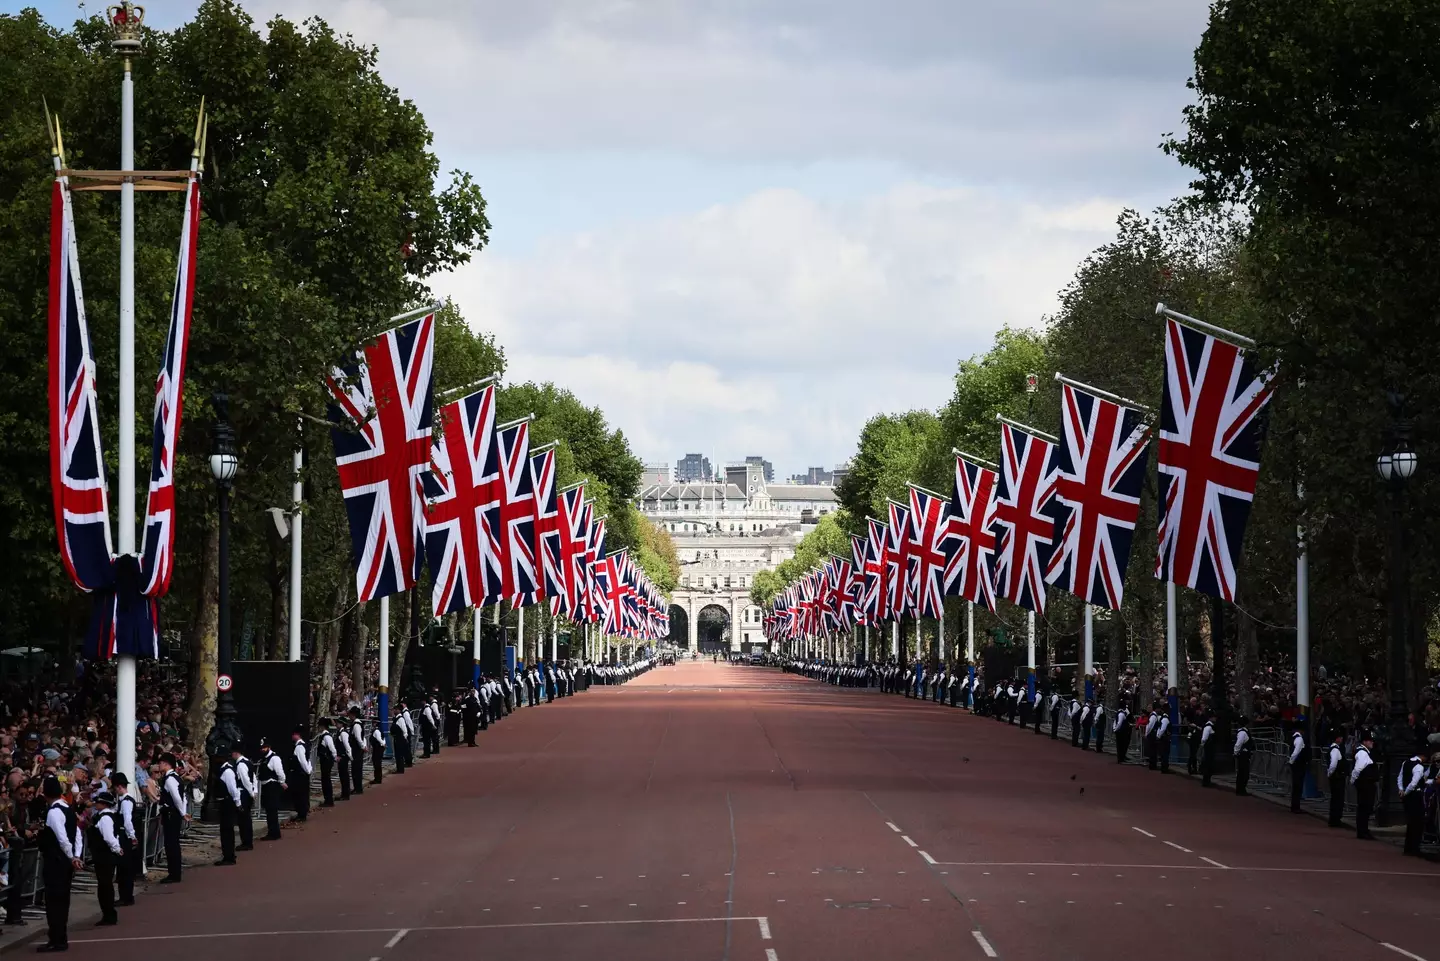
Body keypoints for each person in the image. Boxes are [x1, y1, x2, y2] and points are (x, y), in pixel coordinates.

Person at [37, 775, 80, 952]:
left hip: (56, 862)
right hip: (65, 862)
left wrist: (71, 856)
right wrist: (76, 855)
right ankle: (59, 937)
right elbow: (77, 834)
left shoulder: (54, 812)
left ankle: (57, 939)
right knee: (62, 901)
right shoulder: (68, 809)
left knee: (55, 902)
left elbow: (62, 839)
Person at [88, 791, 122, 926]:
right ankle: (108, 913)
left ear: (104, 804)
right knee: (104, 885)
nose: (96, 804)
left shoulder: (105, 818)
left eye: (98, 802)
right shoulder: (103, 817)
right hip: (103, 855)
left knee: (105, 885)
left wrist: (116, 849)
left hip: (105, 855)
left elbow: (109, 837)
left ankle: (109, 914)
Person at [156, 752, 188, 882]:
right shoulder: (176, 777)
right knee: (172, 843)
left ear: (165, 764)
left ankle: (174, 873)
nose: (159, 765)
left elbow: (177, 798)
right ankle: (174, 872)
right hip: (173, 813)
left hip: (171, 813)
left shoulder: (170, 779)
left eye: (160, 763)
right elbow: (183, 798)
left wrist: (182, 813)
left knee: (171, 844)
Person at [112, 772, 137, 905]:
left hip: (124, 837)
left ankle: (126, 896)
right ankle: (126, 895)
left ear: (119, 786)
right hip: (124, 836)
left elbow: (127, 821)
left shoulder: (126, 802)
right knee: (124, 868)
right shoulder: (123, 801)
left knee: (125, 868)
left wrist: (131, 835)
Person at [215, 747, 243, 865]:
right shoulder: (224, 769)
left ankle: (229, 856)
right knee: (225, 829)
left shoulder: (227, 771)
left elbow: (232, 789)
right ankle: (227, 854)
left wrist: (238, 803)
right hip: (224, 802)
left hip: (227, 802)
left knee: (227, 830)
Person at [1398, 747, 1428, 856]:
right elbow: (1414, 783)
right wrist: (1406, 792)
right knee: (1417, 822)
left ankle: (1408, 847)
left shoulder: (1405, 763)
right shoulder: (1419, 766)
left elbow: (1400, 778)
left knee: (1410, 821)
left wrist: (1401, 789)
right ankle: (1414, 847)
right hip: (1415, 795)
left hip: (1407, 795)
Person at [257, 738, 287, 841]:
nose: (262, 750)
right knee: (269, 810)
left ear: (269, 747)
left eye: (264, 747)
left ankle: (274, 832)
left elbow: (280, 772)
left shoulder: (274, 758)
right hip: (266, 785)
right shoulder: (264, 758)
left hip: (272, 786)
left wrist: (282, 782)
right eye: (262, 748)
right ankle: (272, 831)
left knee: (272, 810)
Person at [1351, 731, 1378, 840]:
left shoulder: (1365, 752)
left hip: (1366, 783)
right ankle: (1362, 831)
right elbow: (1358, 768)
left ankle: (1364, 830)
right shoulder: (1362, 753)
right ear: (1364, 741)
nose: (1372, 742)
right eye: (1370, 740)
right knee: (1364, 807)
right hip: (1365, 784)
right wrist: (1353, 780)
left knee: (1366, 807)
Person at [288, 727, 312, 822]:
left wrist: (307, 771)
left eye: (293, 734)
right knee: (301, 794)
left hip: (300, 774)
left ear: (297, 735)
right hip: (302, 773)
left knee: (300, 794)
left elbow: (303, 761)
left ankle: (302, 814)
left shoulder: (299, 747)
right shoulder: (303, 745)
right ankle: (302, 813)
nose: (292, 736)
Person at [234, 748, 257, 850]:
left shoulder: (240, 764)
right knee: (246, 818)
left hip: (243, 793)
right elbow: (254, 778)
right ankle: (247, 841)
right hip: (248, 793)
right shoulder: (248, 762)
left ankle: (246, 842)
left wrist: (251, 793)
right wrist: (254, 791)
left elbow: (246, 780)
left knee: (243, 819)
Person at [1325, 730, 1347, 828]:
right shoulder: (1335, 750)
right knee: (1337, 798)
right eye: (1341, 737)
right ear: (1337, 738)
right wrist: (1330, 773)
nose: (1342, 739)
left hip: (1336, 776)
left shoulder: (1335, 749)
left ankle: (1335, 818)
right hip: (1337, 777)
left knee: (1336, 798)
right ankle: (1335, 819)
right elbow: (1333, 764)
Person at [1287, 722, 1309, 813]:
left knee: (1297, 785)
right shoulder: (1299, 739)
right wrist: (1291, 762)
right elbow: (1296, 752)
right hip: (1298, 764)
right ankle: (1295, 806)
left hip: (1296, 764)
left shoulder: (1294, 737)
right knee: (1297, 785)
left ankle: (1295, 805)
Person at [316, 719, 337, 808]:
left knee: (326, 780)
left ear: (322, 726)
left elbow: (332, 748)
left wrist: (334, 757)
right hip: (325, 760)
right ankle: (327, 799)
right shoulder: (323, 736)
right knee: (325, 779)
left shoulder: (326, 736)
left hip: (327, 760)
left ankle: (329, 800)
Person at [348, 708, 366, 795]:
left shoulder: (356, 725)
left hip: (357, 750)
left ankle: (358, 788)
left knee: (356, 769)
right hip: (357, 749)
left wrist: (363, 746)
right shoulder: (356, 724)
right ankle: (357, 787)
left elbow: (359, 738)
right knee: (355, 769)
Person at [334, 715, 352, 802]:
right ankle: (344, 793)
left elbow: (347, 746)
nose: (336, 724)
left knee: (344, 775)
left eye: (338, 723)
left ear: (342, 724)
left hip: (343, 757)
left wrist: (349, 756)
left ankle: (346, 794)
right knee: (342, 775)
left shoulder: (343, 733)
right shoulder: (339, 732)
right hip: (341, 756)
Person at [1234, 719, 1253, 796]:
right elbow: (1238, 744)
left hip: (1243, 754)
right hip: (1243, 754)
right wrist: (1236, 752)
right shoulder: (1243, 732)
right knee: (1243, 773)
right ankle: (1241, 789)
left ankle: (1241, 789)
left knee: (1242, 772)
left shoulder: (1242, 731)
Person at [1198, 712, 1217, 787]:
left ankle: (1207, 780)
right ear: (1210, 718)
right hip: (1208, 748)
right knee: (1207, 764)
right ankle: (1206, 781)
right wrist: (1202, 747)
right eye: (1214, 717)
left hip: (1210, 748)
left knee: (1209, 764)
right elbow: (1204, 738)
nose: (1215, 718)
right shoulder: (1208, 727)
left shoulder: (1212, 726)